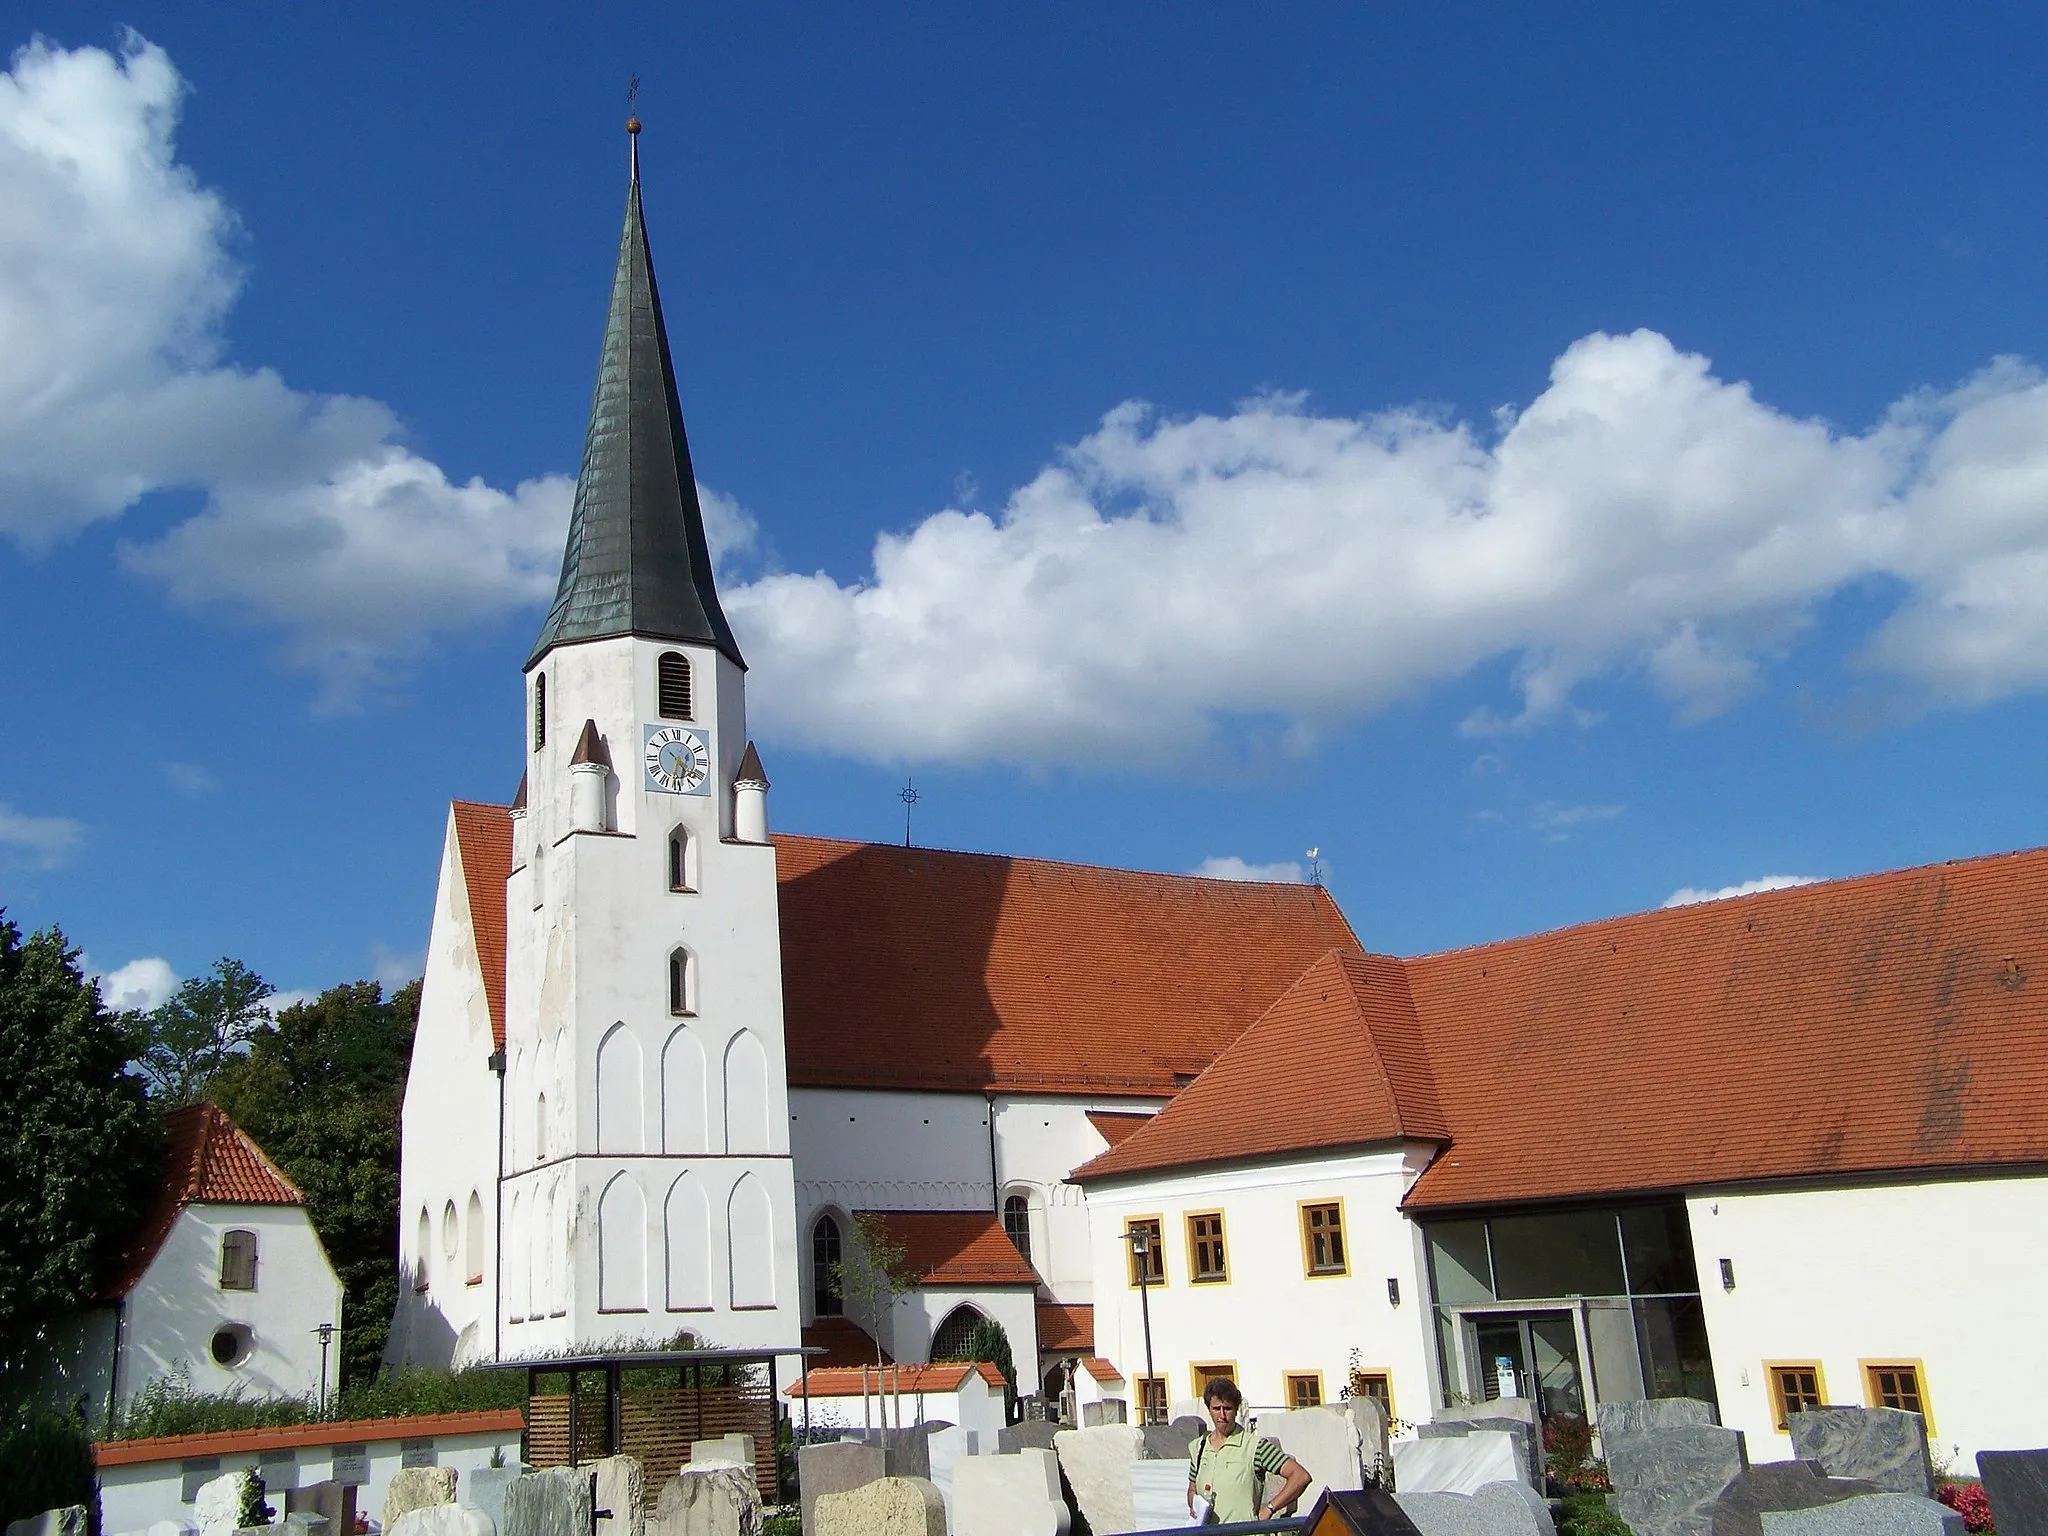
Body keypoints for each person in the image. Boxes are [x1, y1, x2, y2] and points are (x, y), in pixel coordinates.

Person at [1186, 1377, 1311, 1524]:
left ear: (1236, 1409)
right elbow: (1192, 1488)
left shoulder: (1255, 1446)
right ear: (1209, 1409)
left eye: (1227, 1408)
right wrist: (1194, 1506)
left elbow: (1301, 1476)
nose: (1222, 1415)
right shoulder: (1198, 1447)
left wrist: (1270, 1508)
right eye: (1216, 1409)